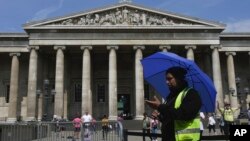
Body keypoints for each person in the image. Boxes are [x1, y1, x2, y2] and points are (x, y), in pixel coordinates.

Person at [145, 66, 202, 141]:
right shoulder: (170, 96)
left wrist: (160, 106)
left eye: (169, 79)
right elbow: (169, 118)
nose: (167, 82)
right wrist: (159, 115)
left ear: (178, 79)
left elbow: (183, 114)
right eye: (166, 79)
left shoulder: (191, 94)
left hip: (185, 139)